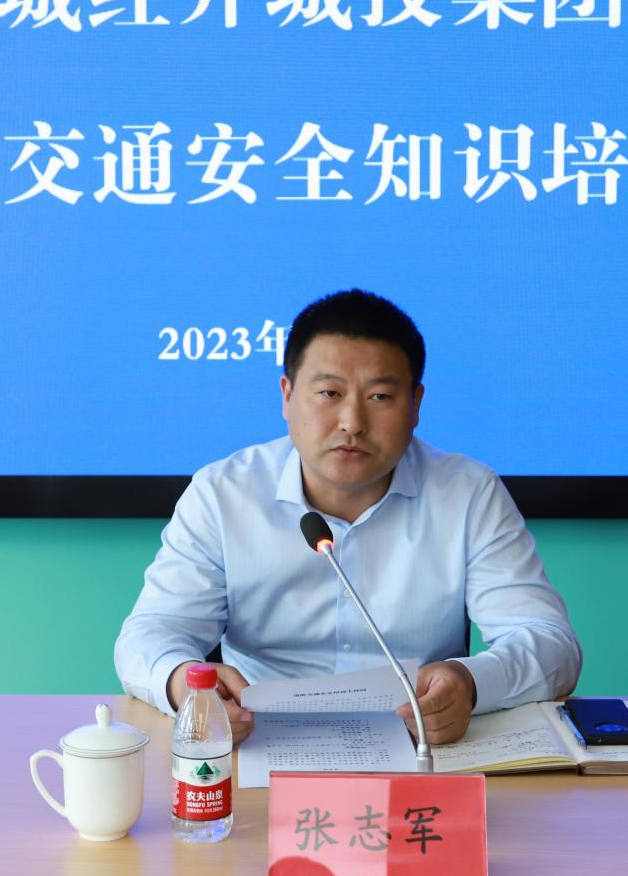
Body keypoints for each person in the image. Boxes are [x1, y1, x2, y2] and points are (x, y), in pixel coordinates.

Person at [114, 290, 581, 745]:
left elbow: (551, 645)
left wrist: (470, 683)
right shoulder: (223, 494)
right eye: (329, 393)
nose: (352, 422)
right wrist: (185, 685)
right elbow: (150, 635)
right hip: (256, 742)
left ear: (416, 404)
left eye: (379, 396)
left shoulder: (468, 494)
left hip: (421, 744)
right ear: (287, 396)